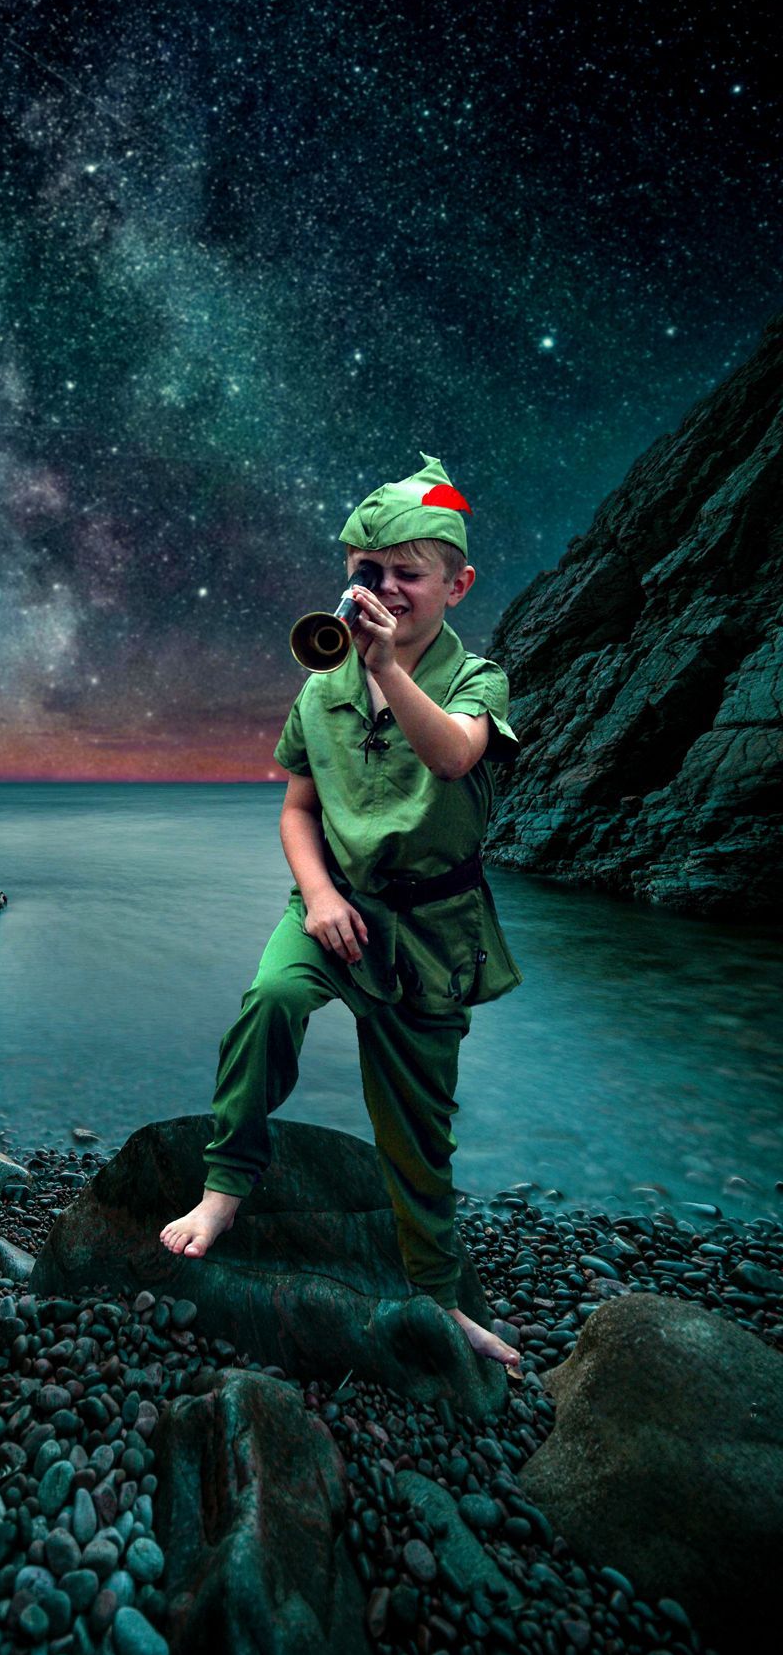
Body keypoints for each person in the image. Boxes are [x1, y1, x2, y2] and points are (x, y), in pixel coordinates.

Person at [160, 453, 525, 1370]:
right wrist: (318, 897)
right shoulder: (320, 683)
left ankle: (439, 1298)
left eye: (409, 573)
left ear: (457, 583)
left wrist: (387, 666)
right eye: (371, 573)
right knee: (271, 1003)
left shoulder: (479, 678)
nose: (388, 589)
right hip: (336, 906)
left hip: (433, 932)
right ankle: (224, 1188)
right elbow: (295, 807)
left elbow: (452, 757)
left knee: (416, 1122)